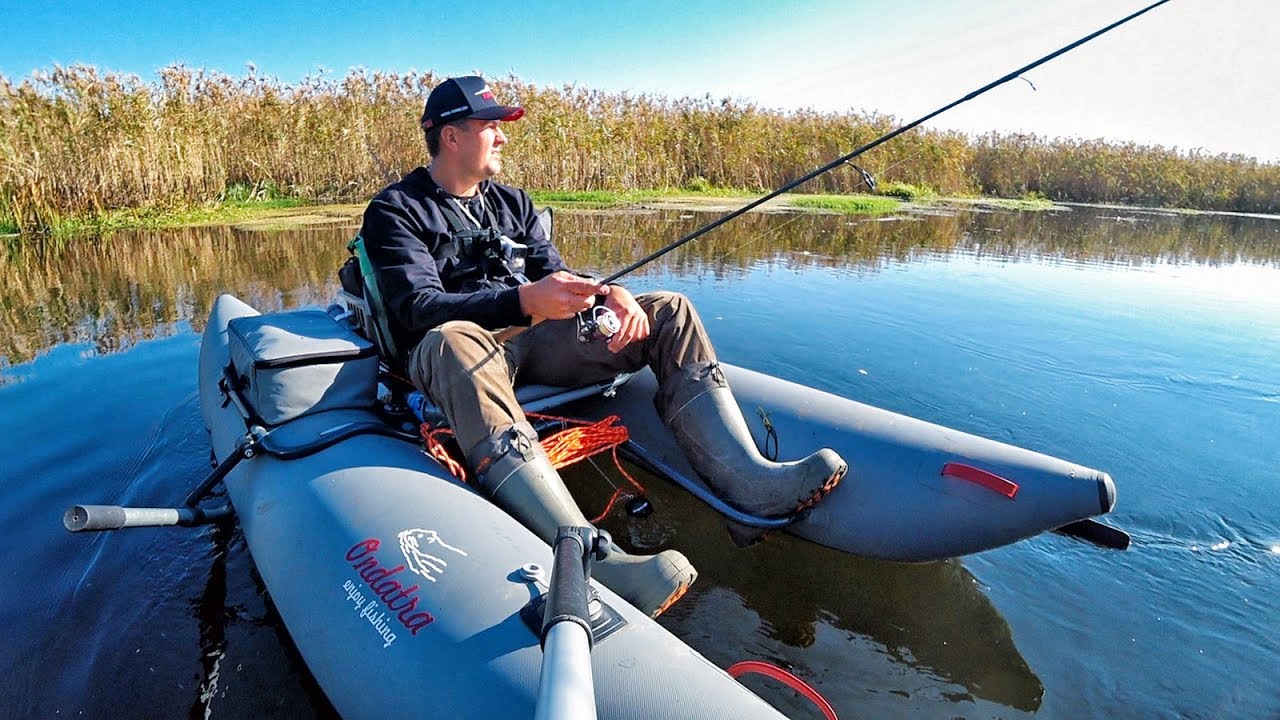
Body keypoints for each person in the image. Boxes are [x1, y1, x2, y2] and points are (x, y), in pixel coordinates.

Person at [357, 76, 846, 617]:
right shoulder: (396, 210)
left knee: (670, 311)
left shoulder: (513, 202)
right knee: (455, 340)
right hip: (452, 351)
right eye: (492, 126)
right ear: (452, 136)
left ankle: (749, 485)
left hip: (532, 334)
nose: (503, 137)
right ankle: (590, 556)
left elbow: (555, 273)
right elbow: (419, 309)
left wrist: (608, 294)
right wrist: (524, 300)